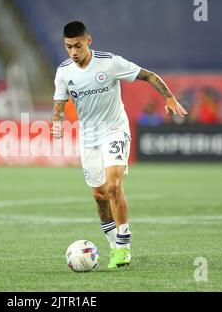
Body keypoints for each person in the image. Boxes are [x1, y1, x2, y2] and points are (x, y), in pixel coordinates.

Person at [51, 21, 187, 269]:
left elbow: (148, 75)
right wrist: (57, 123)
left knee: (114, 186)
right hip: (88, 137)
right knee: (99, 196)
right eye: (68, 47)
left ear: (89, 40)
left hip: (115, 130)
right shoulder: (64, 72)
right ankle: (114, 246)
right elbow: (59, 104)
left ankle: (123, 247)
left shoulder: (110, 63)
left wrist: (169, 97)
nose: (73, 52)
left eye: (78, 46)